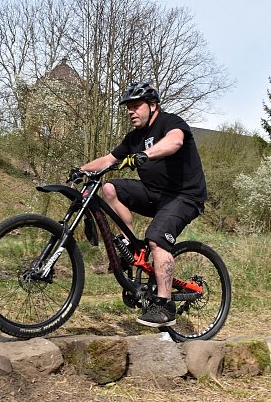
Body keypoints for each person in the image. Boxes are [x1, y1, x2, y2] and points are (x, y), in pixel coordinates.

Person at [79, 81, 207, 327]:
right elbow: (108, 159)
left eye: (136, 106)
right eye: (128, 107)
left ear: (152, 105)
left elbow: (175, 142)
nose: (130, 111)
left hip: (184, 196)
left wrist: (145, 155)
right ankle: (129, 243)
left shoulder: (171, 123)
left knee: (157, 239)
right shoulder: (135, 137)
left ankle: (164, 305)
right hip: (154, 193)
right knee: (109, 187)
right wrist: (81, 170)